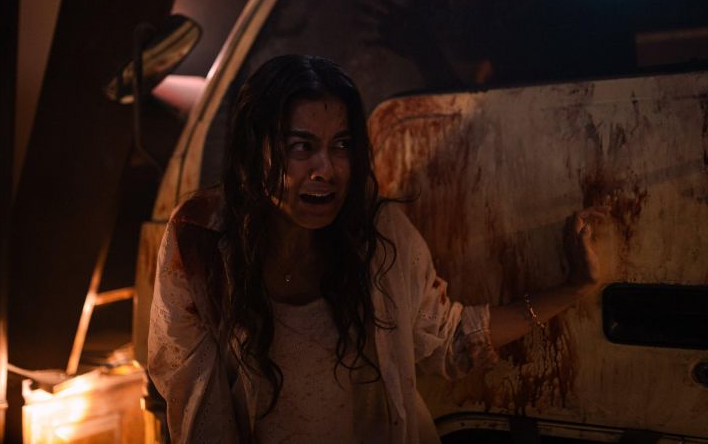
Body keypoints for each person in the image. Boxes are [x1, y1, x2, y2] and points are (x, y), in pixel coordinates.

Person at [148, 55, 605, 443]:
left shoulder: (381, 236)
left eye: (341, 145)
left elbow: (448, 339)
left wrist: (574, 288)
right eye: (301, 147)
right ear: (255, 150)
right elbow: (196, 403)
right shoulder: (202, 239)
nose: (327, 169)